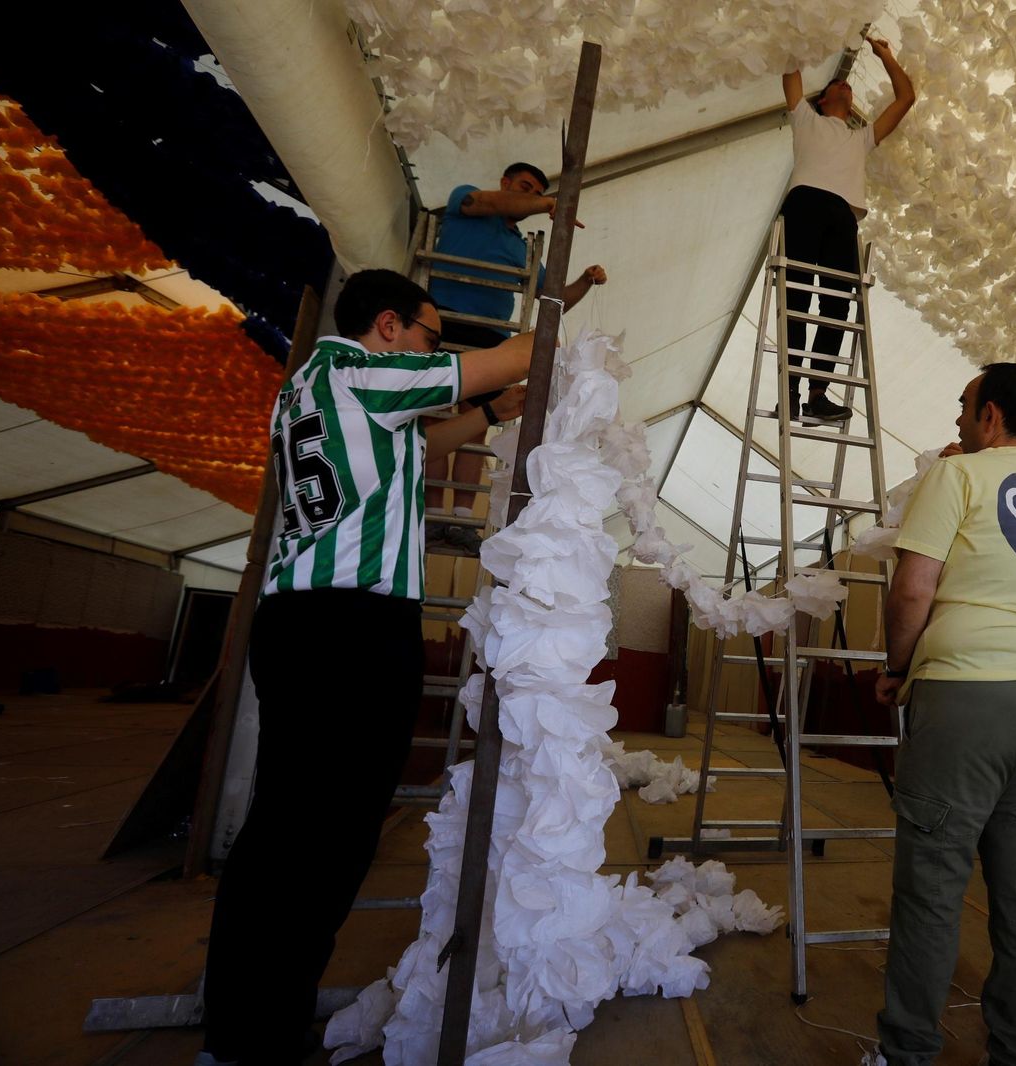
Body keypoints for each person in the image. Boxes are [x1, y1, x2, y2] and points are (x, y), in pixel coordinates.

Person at [196, 269, 533, 1066]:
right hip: (348, 627)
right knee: (315, 839)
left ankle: (254, 1021)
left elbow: (421, 445)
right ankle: (250, 1037)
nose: (432, 351)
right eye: (429, 335)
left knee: (302, 831)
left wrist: (485, 415)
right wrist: (563, 326)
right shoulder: (356, 366)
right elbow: (512, 355)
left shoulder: (316, 388)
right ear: (388, 326)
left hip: (306, 623)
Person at [872, 363, 1016, 1066]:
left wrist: (898, 669)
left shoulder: (954, 475)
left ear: (990, 416)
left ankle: (907, 1053)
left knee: (932, 888)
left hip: (969, 698)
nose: (958, 421)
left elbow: (911, 592)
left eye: (965, 407)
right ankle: (1015, 1052)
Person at [429, 161, 607, 553]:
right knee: (433, 418)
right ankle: (429, 517)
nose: (528, 197)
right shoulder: (467, 200)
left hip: (490, 338)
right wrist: (543, 204)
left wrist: (585, 280)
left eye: (534, 192)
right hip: (443, 324)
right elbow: (484, 202)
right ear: (505, 183)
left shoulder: (520, 248)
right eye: (524, 188)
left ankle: (457, 520)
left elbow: (552, 299)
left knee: (474, 427)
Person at [778, 35, 914, 423]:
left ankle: (817, 393)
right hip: (804, 204)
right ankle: (790, 388)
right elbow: (790, 66)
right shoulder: (804, 118)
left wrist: (885, 55)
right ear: (821, 100)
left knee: (837, 304)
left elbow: (905, 99)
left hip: (841, 214)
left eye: (848, 85)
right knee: (798, 298)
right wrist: (812, 28)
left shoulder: (862, 137)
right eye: (838, 84)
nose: (845, 85)